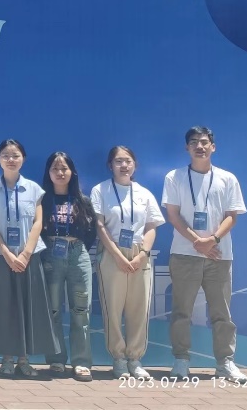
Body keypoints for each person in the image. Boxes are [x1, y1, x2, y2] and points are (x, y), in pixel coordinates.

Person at [163, 126, 247, 383]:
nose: (199, 146)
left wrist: (212, 240)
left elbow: (232, 216)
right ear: (186, 148)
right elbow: (173, 215)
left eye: (204, 142)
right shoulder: (174, 177)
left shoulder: (227, 178)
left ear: (213, 147)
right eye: (193, 142)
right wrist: (197, 242)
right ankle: (181, 360)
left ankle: (225, 363)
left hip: (219, 255)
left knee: (222, 313)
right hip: (184, 254)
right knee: (182, 311)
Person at [0, 139, 58, 377]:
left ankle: (24, 360)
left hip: (29, 258)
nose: (10, 159)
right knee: (4, 307)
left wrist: (25, 254)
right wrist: (6, 253)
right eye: (5, 155)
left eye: (15, 155)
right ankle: (6, 358)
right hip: (0, 257)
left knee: (28, 307)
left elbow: (38, 222)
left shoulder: (34, 189)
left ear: (23, 158)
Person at [91, 146, 163, 380]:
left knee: (138, 309)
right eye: (118, 161)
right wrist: (117, 256)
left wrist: (143, 254)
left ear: (135, 165)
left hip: (139, 253)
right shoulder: (100, 190)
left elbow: (151, 226)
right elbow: (100, 225)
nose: (124, 165)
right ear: (110, 165)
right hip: (112, 253)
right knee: (112, 309)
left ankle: (135, 358)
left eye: (128, 161)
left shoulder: (144, 193)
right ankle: (119, 359)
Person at [40, 152, 98, 382]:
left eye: (64, 168)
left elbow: (91, 233)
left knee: (81, 311)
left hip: (78, 255)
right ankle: (56, 359)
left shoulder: (83, 201)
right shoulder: (42, 200)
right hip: (51, 255)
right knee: (53, 310)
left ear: (72, 172)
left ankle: (81, 362)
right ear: (48, 173)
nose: (60, 172)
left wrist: (76, 247)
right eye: (55, 168)